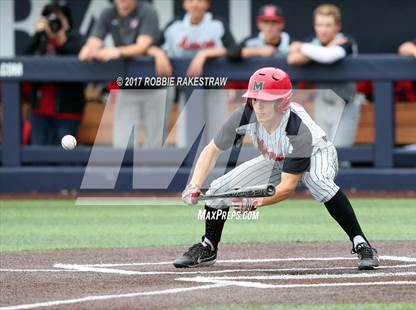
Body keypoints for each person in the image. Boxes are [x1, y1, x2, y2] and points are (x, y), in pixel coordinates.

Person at [175, 67, 379, 271]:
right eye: (255, 98)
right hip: (277, 159)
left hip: (317, 154)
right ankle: (208, 247)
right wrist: (195, 184)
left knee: (318, 182)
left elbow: (287, 186)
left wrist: (255, 201)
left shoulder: (298, 130)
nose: (258, 105)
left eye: (265, 100)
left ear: (282, 102)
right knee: (217, 190)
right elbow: (212, 150)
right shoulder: (245, 113)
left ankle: (361, 242)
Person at [79, 0, 171, 148]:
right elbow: (94, 42)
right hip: (127, 86)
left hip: (156, 85)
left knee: (155, 144)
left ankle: (151, 172)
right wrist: (89, 49)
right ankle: (126, 172)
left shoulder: (147, 11)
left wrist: (117, 51)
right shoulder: (108, 12)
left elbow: (142, 46)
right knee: (122, 144)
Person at [287, 4, 363, 167]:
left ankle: (344, 192)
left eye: (328, 25)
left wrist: (305, 49)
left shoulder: (347, 41)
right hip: (322, 103)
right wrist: (319, 50)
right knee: (320, 157)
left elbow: (330, 56)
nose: (323, 30)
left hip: (345, 104)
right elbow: (292, 58)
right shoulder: (314, 42)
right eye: (319, 25)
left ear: (337, 26)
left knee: (339, 158)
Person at [152, 0, 236, 146]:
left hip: (213, 88)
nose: (195, 4)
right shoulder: (175, 24)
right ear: (184, 4)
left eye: (200, 0)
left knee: (216, 140)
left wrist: (203, 54)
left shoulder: (217, 23)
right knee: (186, 141)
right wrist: (159, 54)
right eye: (190, 0)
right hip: (187, 90)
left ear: (207, 4)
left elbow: (234, 50)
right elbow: (152, 46)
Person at [24, 3, 85, 145]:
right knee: (38, 154)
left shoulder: (76, 39)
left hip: (67, 110)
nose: (55, 22)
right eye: (51, 19)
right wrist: (37, 34)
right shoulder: (40, 40)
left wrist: (61, 40)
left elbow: (80, 65)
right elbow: (23, 61)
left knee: (65, 154)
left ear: (67, 21)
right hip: (40, 109)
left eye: (59, 18)